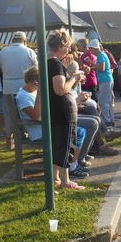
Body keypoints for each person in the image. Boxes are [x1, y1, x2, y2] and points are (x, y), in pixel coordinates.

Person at [47, 30, 85, 190]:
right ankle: (65, 180)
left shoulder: (49, 62)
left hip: (56, 109)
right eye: (68, 46)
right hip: (63, 110)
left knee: (58, 144)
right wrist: (75, 78)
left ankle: (56, 177)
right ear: (61, 45)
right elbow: (60, 89)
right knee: (65, 144)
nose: (69, 50)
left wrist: (71, 75)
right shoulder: (55, 63)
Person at [0, 31, 37, 149]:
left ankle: (9, 140)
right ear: (24, 41)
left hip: (8, 87)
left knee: (9, 114)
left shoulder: (4, 51)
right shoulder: (29, 51)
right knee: (26, 113)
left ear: (12, 40)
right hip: (25, 87)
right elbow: (37, 69)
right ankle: (25, 135)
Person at [91, 39, 116, 129]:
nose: (90, 51)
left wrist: (91, 63)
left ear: (95, 48)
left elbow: (102, 68)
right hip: (107, 80)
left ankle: (107, 121)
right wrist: (94, 67)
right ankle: (111, 120)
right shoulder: (102, 55)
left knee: (103, 101)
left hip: (105, 80)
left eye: (91, 49)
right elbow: (102, 68)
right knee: (108, 101)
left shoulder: (101, 55)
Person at [16, 66, 42, 142]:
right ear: (34, 81)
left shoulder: (34, 91)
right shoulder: (22, 96)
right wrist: (40, 92)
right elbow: (36, 117)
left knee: (75, 130)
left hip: (47, 129)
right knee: (76, 132)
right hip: (39, 134)